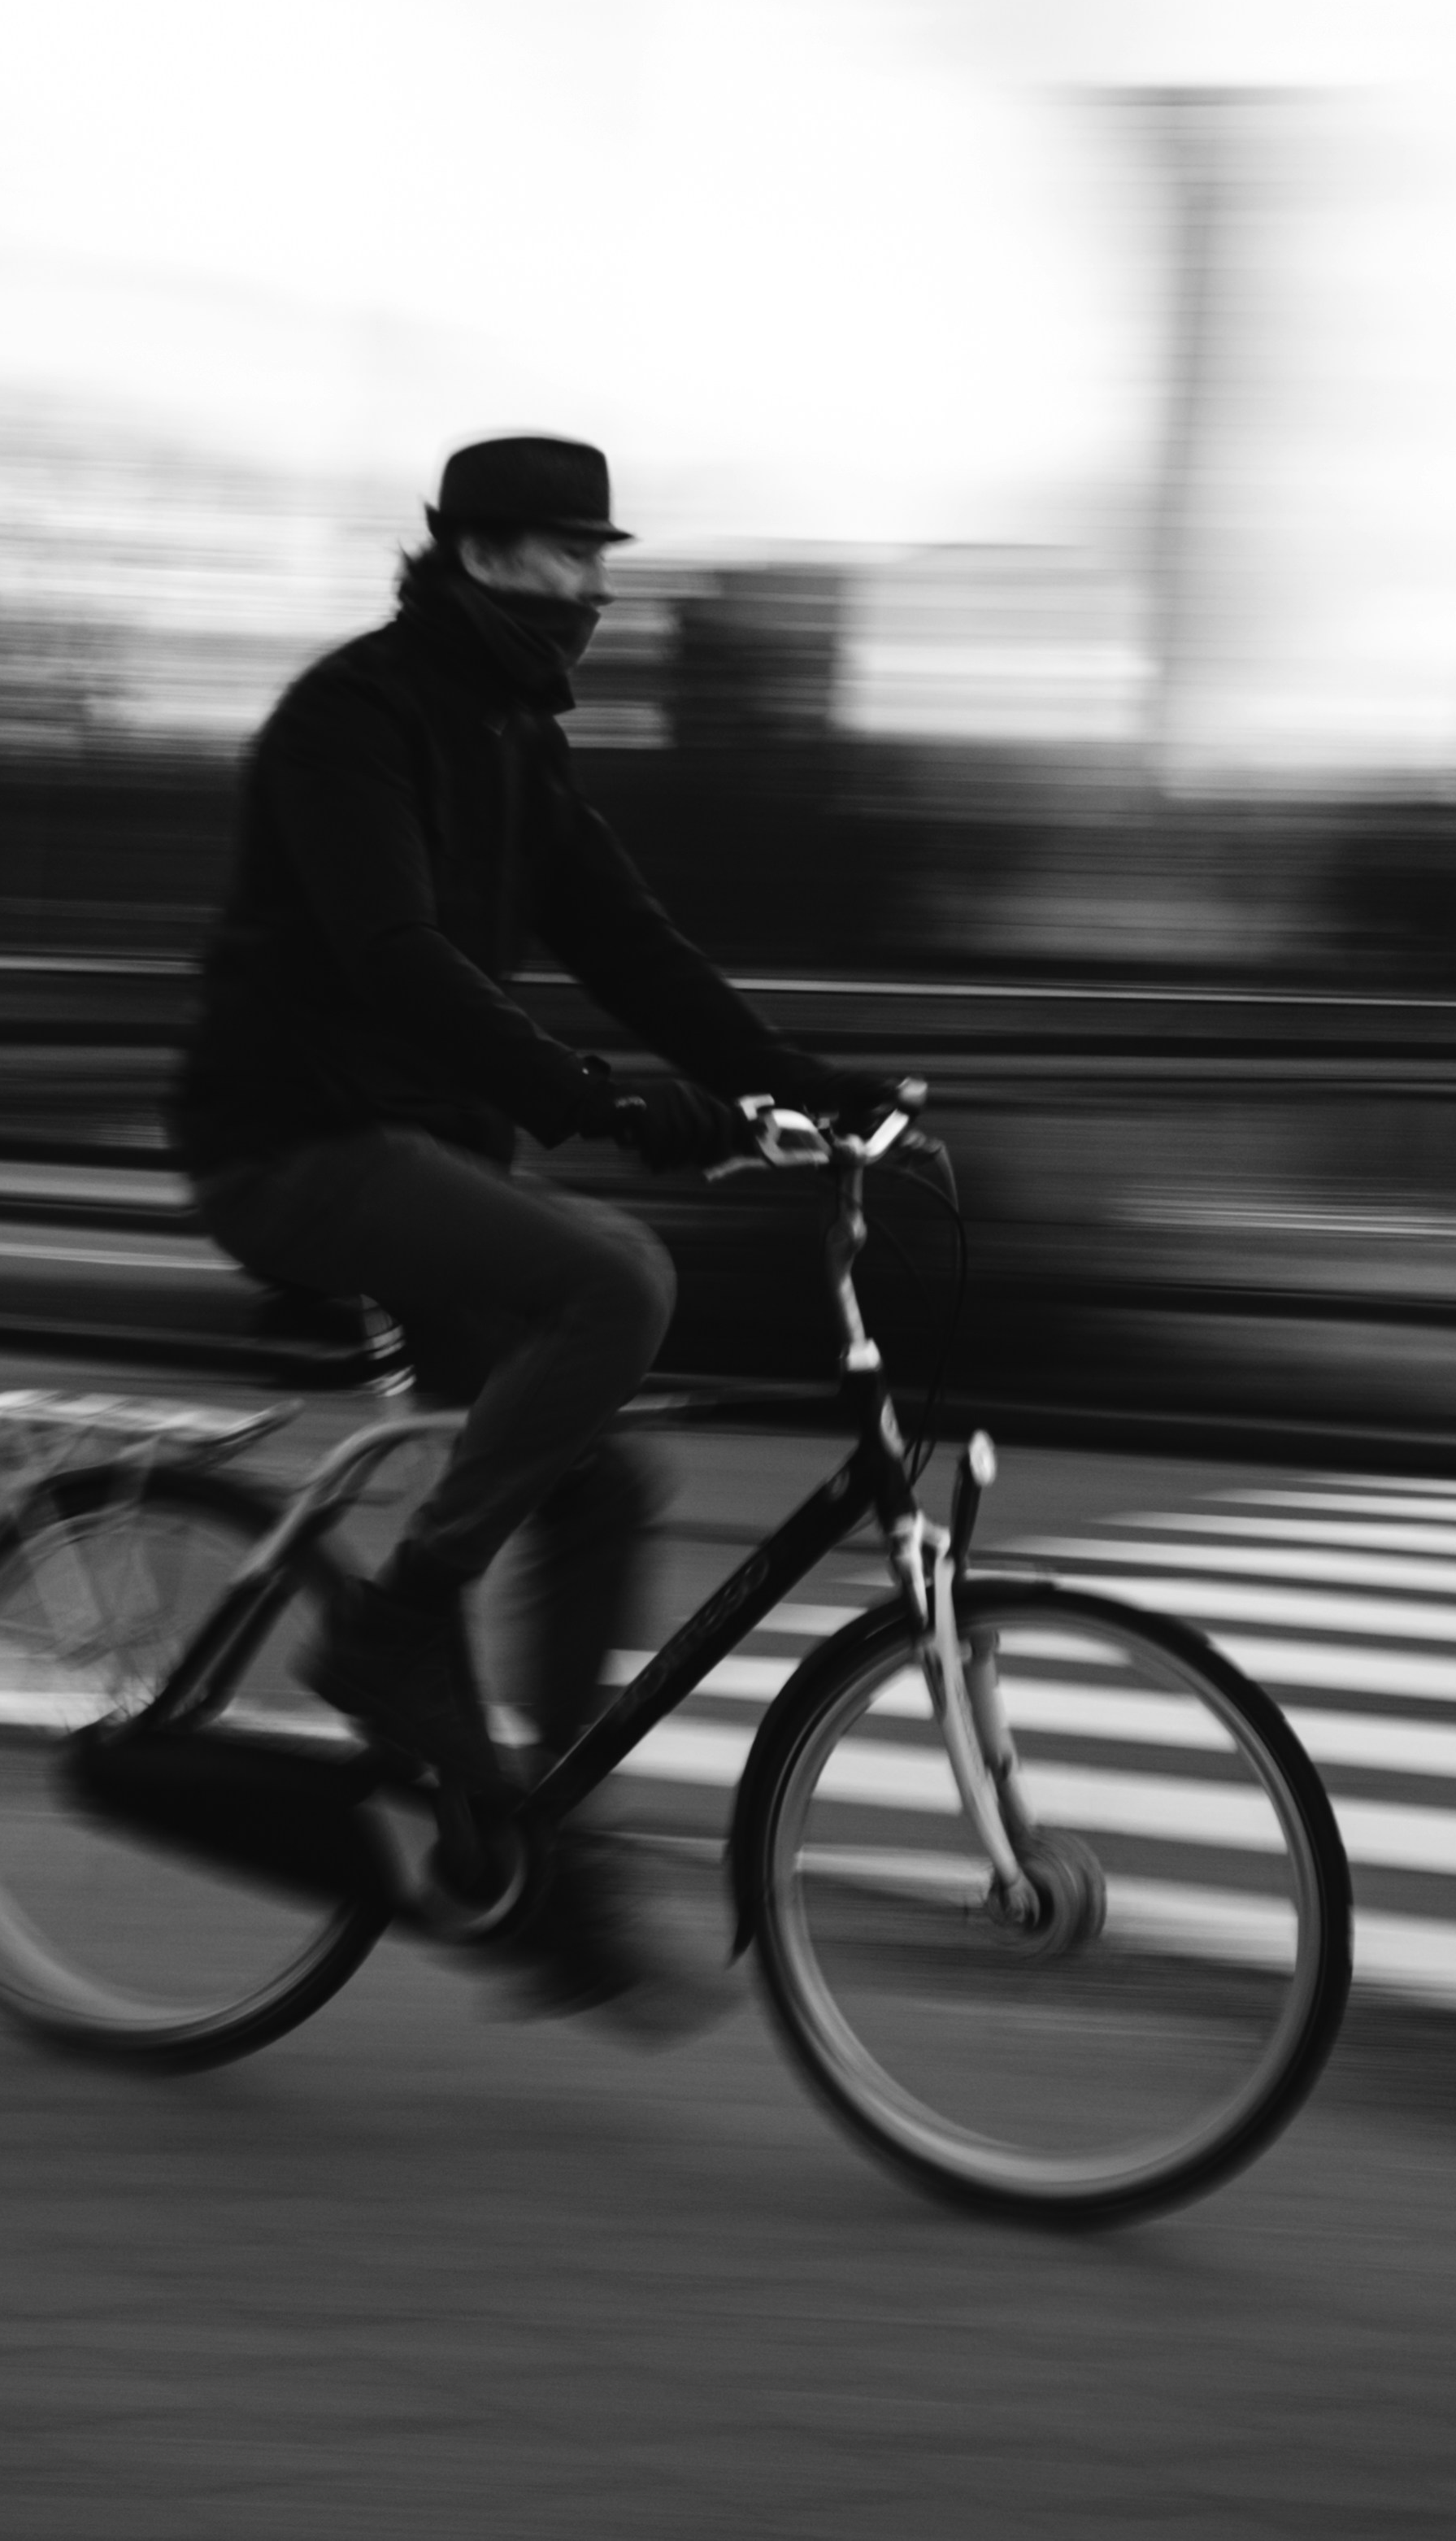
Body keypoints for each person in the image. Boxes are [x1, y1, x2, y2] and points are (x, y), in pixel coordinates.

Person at [169, 432, 890, 2017]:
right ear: (467, 554)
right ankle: (395, 1633)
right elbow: (390, 953)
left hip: (425, 1150)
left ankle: (523, 1845)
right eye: (544, 558)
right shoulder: (348, 720)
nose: (576, 589)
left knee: (607, 1480)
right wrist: (594, 1101)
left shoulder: (516, 739)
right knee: (610, 1276)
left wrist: (797, 1083)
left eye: (591, 561)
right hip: (289, 1142)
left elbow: (629, 944)